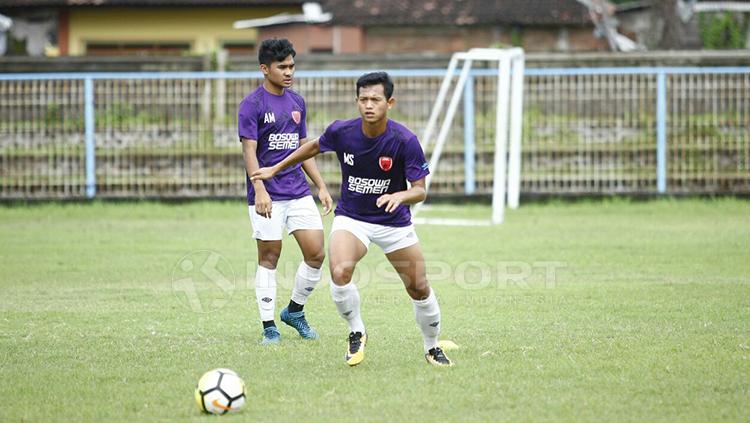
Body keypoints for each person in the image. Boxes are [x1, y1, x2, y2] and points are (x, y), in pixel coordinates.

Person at [252, 72, 453, 367]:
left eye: (376, 99)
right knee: (340, 270)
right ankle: (357, 331)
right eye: (363, 99)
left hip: (394, 223)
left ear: (390, 102)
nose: (368, 105)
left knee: (418, 287)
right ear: (356, 101)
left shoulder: (404, 140)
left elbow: (420, 191)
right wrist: (274, 169)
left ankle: (432, 346)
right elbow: (312, 146)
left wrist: (401, 196)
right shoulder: (343, 132)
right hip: (353, 218)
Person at [238, 38, 332, 345]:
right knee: (269, 256)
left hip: (298, 192)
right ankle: (269, 327)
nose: (289, 72)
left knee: (316, 253)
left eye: (292, 65)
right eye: (282, 67)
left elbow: (303, 150)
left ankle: (294, 311)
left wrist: (320, 186)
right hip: (267, 195)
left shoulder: (297, 103)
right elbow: (249, 151)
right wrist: (260, 189)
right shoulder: (252, 105)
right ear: (265, 69)